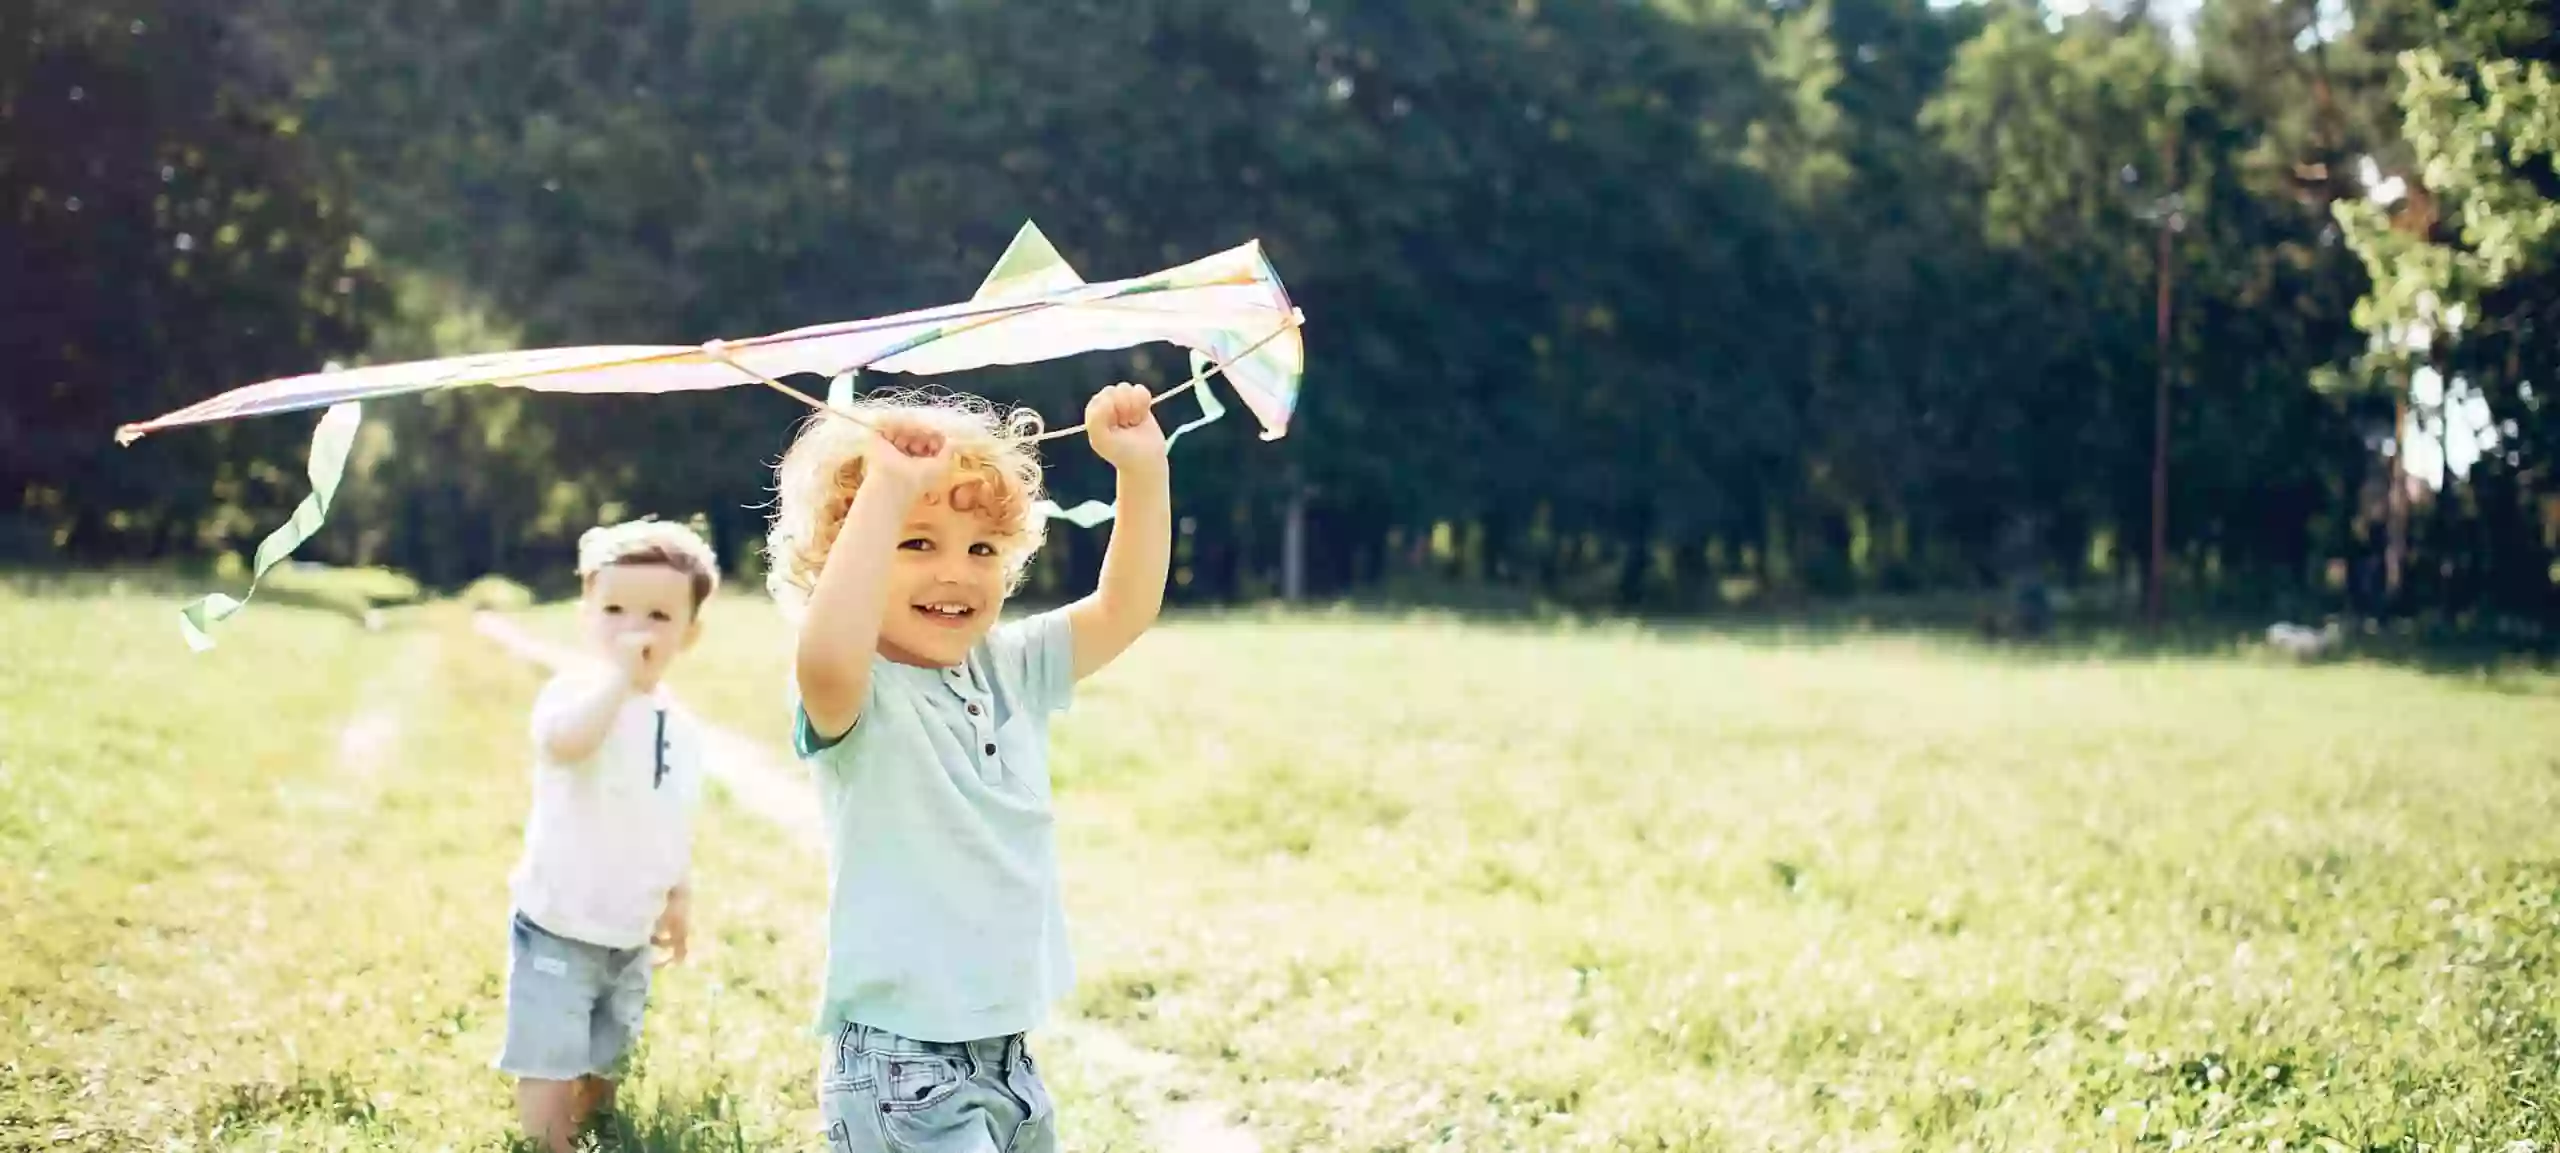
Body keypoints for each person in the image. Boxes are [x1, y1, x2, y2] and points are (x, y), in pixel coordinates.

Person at [763, 382, 1171, 1153]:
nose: (957, 571)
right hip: (902, 1062)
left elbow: (1125, 607)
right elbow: (823, 648)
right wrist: (886, 486)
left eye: (981, 548)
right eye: (916, 542)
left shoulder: (1007, 666)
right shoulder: (855, 690)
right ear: (838, 558)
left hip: (1006, 1053)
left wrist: (1141, 472)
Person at [495, 517, 719, 1152]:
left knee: (607, 1044)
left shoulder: (681, 727)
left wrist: (679, 893)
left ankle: (596, 1118)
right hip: (559, 918)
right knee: (550, 1047)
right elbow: (566, 746)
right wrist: (619, 681)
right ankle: (551, 1141)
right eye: (614, 609)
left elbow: (674, 816)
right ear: (585, 617)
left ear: (690, 634)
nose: (633, 629)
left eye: (657, 615)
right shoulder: (575, 694)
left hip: (630, 926)